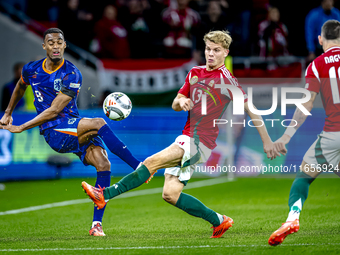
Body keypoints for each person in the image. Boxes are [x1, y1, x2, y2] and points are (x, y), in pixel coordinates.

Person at [82, 30, 283, 238]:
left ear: (225, 52)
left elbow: (252, 110)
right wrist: (182, 102)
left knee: (151, 162)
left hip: (200, 142)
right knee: (170, 194)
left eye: (216, 50)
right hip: (187, 138)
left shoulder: (227, 81)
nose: (211, 54)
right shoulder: (195, 73)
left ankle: (104, 194)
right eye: (207, 49)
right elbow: (175, 102)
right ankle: (219, 221)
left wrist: (267, 141)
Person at [0, 28, 141, 237]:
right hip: (54, 131)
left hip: (71, 125)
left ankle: (96, 225)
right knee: (99, 122)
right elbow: (21, 85)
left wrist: (21, 126)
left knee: (104, 164)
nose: (55, 46)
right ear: (44, 46)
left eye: (59, 42)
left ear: (65, 45)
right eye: (51, 42)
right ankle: (139, 168)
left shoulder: (71, 73)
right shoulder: (32, 69)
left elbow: (56, 108)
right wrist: (8, 113)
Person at [268, 20, 340, 246]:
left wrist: (285, 137)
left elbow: (306, 105)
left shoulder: (316, 66)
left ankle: (292, 218)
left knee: (304, 177)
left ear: (320, 40)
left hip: (332, 135)